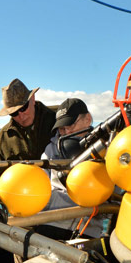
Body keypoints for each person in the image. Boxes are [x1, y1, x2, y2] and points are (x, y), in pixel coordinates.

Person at [40, 98, 105, 239]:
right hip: (50, 224)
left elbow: (111, 202)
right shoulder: (50, 151)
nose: (67, 131)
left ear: (87, 119)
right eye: (62, 128)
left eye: (70, 124)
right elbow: (41, 191)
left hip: (88, 231)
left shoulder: (106, 150)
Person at [0, 78, 56, 161]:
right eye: (14, 113)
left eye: (23, 108)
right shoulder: (1, 139)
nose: (21, 115)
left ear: (32, 99)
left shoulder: (59, 122)